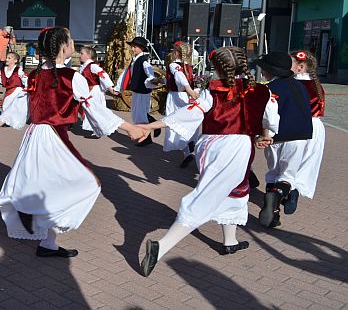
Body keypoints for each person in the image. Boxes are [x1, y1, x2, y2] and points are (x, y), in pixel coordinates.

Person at [0, 27, 145, 258]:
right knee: (89, 181)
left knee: (46, 183)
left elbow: (19, 106)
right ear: (64, 47)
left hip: (33, 136)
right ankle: (34, 213)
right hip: (54, 137)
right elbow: (94, 109)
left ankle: (47, 241)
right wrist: (129, 127)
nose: (73, 42)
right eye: (70, 39)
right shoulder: (73, 78)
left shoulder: (34, 75)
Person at [137, 47, 279, 277]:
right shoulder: (261, 91)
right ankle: (161, 246)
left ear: (218, 69)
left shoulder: (212, 92)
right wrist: (264, 135)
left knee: (236, 190)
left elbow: (189, 113)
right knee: (206, 197)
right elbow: (270, 119)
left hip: (213, 145)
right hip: (236, 148)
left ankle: (230, 241)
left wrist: (152, 125)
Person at [257, 52, 313, 228]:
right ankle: (276, 198)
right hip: (299, 136)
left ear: (269, 71)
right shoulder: (300, 86)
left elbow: (267, 116)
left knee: (273, 173)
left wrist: (263, 135)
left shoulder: (268, 89)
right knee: (287, 176)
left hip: (274, 137)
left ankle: (274, 213)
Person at [288, 50, 326, 209]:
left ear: (300, 66)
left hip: (296, 124)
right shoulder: (317, 85)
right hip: (316, 126)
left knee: (289, 158)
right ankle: (296, 188)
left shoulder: (292, 84)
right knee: (308, 161)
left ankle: (285, 186)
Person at [114, 37, 162, 146]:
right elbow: (126, 74)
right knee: (136, 114)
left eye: (135, 47)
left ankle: (146, 137)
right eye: (132, 46)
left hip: (143, 92)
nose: (132, 49)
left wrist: (152, 79)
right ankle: (150, 130)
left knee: (140, 115)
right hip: (137, 91)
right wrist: (118, 88)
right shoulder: (134, 60)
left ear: (141, 48)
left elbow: (149, 72)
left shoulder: (143, 61)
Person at [163, 42, 199, 167]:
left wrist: (189, 89)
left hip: (175, 97)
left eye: (173, 50)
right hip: (185, 96)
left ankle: (186, 150)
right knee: (185, 121)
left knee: (174, 122)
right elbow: (177, 79)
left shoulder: (174, 65)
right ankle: (189, 145)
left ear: (176, 53)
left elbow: (179, 77)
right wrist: (162, 80)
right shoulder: (187, 66)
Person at [78, 46, 116, 133]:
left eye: (81, 53)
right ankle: (95, 129)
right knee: (91, 110)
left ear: (88, 56)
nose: (79, 55)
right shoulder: (84, 66)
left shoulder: (93, 66)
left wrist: (110, 88)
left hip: (94, 92)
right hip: (88, 92)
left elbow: (103, 74)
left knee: (96, 111)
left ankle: (100, 129)